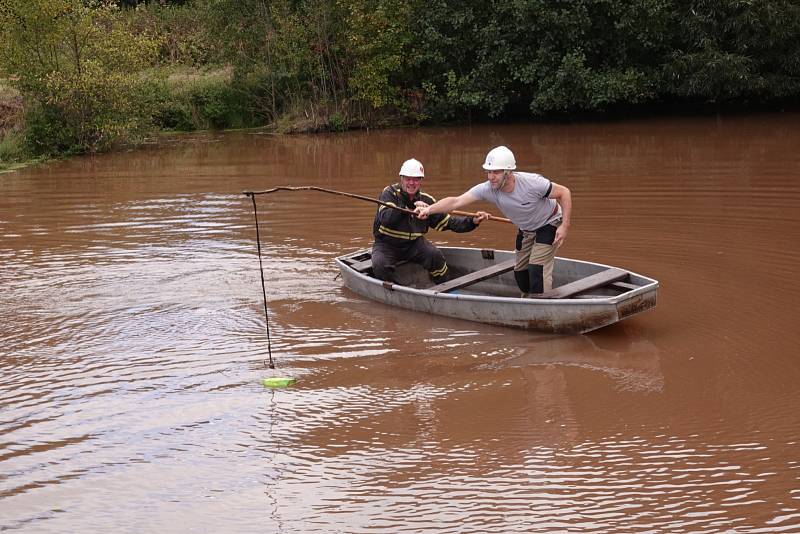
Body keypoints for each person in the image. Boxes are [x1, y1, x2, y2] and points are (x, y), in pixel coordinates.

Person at [414, 146, 572, 296]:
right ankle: (529, 301)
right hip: (526, 230)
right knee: (520, 273)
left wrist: (564, 226)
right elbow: (456, 201)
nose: (491, 177)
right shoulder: (488, 188)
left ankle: (542, 308)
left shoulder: (532, 183)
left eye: (495, 172)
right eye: (488, 172)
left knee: (537, 268)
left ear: (508, 172)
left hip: (550, 222)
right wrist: (429, 210)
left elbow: (564, 192)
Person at [372, 158, 489, 284]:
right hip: (386, 245)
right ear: (401, 178)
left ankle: (446, 287)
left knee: (435, 256)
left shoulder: (427, 201)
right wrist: (409, 207)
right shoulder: (389, 193)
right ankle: (398, 291)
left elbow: (449, 223)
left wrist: (473, 221)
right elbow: (387, 219)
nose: (411, 183)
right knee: (380, 265)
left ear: (421, 181)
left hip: (414, 244)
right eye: (408, 179)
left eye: (416, 179)